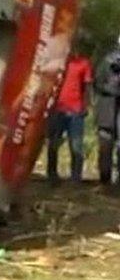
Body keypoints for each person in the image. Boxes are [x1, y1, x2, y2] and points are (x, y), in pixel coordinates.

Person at [48, 49, 94, 181]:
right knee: (54, 142)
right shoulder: (58, 62)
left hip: (76, 109)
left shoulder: (84, 63)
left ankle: (76, 176)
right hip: (58, 108)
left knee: (76, 144)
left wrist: (85, 106)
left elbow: (87, 86)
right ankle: (52, 175)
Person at [96, 40, 120, 183]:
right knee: (105, 145)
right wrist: (113, 89)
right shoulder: (107, 61)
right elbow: (98, 83)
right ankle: (104, 178)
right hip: (107, 110)